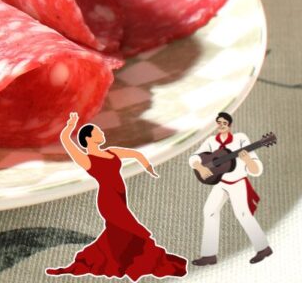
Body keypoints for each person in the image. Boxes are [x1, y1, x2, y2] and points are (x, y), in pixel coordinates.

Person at [47, 112, 187, 280]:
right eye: (97, 132)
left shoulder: (111, 151)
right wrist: (69, 128)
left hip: (120, 196)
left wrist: (148, 167)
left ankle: (121, 261)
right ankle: (137, 261)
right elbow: (67, 142)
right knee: (130, 228)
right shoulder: (87, 160)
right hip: (108, 200)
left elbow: (136, 154)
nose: (102, 133)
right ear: (89, 138)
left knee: (118, 234)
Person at [189, 111, 272, 266]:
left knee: (243, 214)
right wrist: (199, 166)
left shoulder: (241, 139)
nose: (221, 126)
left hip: (237, 183)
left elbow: (256, 169)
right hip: (221, 182)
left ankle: (263, 248)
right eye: (218, 123)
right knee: (210, 211)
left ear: (230, 125)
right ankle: (209, 255)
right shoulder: (211, 141)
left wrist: (247, 160)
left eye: (224, 123)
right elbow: (194, 156)